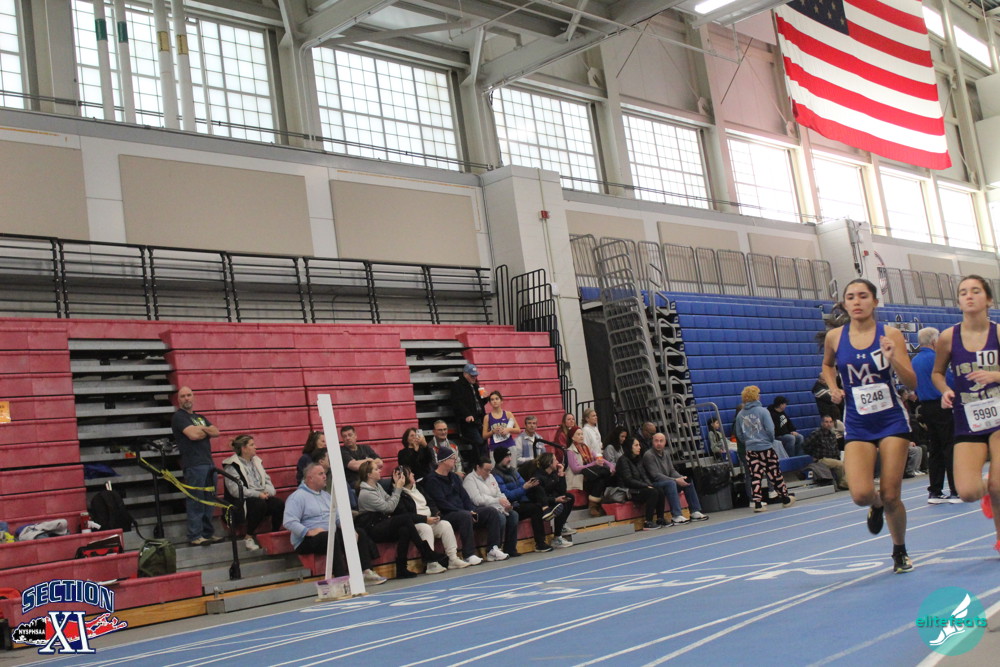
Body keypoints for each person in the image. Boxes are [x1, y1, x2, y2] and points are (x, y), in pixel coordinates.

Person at [822, 278, 917, 574]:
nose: (857, 301)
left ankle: (899, 550)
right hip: (858, 423)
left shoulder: (890, 334)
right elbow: (827, 365)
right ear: (845, 304)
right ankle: (875, 505)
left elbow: (912, 382)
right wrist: (833, 387)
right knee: (861, 494)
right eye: (851, 297)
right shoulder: (835, 337)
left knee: (892, 494)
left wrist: (893, 358)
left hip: (891, 420)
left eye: (863, 296)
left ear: (875, 302)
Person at [932, 274, 1000, 554]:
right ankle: (987, 491)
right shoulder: (949, 337)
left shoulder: (998, 333)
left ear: (989, 299)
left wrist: (995, 375)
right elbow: (937, 373)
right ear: (958, 301)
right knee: (968, 491)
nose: (969, 296)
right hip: (968, 419)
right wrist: (945, 390)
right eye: (963, 292)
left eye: (975, 291)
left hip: (999, 417)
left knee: (999, 483)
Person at [282, 463, 386, 584]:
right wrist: (308, 531)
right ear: (310, 478)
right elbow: (289, 521)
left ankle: (366, 572)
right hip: (306, 540)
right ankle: (341, 578)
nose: (325, 476)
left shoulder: (326, 496)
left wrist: (349, 530)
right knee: (330, 537)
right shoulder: (297, 497)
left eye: (324, 473)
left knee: (359, 533)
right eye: (320, 474)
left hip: (328, 534)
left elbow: (337, 517)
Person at [356, 461, 451, 578]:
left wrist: (397, 487)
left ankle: (401, 568)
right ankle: (425, 551)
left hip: (381, 521)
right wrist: (398, 488)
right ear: (369, 475)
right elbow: (389, 508)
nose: (380, 471)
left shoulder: (377, 486)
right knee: (405, 518)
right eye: (376, 469)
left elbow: (390, 500)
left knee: (404, 529)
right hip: (372, 527)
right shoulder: (366, 493)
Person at [422, 445, 501, 564]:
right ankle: (469, 554)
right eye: (452, 459)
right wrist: (466, 512)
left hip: (464, 512)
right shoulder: (432, 480)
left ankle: (492, 549)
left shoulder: (454, 477)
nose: (455, 461)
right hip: (447, 514)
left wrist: (471, 510)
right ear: (443, 461)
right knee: (465, 516)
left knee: (491, 511)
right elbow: (441, 502)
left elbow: (465, 497)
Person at [911, 327, 959, 503]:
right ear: (934, 342)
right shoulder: (936, 358)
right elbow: (950, 380)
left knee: (935, 448)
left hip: (926, 407)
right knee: (950, 446)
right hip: (942, 404)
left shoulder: (914, 360)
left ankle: (935, 490)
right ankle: (955, 489)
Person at [172, 387, 223, 546]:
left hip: (208, 463)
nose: (186, 398)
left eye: (189, 395)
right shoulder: (179, 417)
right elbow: (193, 435)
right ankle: (195, 535)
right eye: (183, 396)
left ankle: (207, 533)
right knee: (196, 500)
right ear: (178, 400)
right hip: (194, 464)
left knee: (209, 499)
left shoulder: (200, 417)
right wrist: (206, 431)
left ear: (193, 397)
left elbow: (216, 432)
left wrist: (202, 429)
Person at [734, 386, 797, 512]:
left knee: (755, 476)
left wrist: (748, 442)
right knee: (775, 473)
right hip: (765, 447)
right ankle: (785, 498)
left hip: (751, 449)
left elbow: (739, 434)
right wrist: (769, 440)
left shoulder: (740, 414)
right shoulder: (763, 411)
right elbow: (770, 429)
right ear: (756, 396)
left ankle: (757, 503)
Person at [396, 465, 469, 569]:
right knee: (426, 528)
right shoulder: (398, 494)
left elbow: (431, 502)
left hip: (430, 519)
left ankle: (453, 558)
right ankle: (431, 564)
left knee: (445, 525)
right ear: (403, 477)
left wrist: (436, 514)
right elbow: (406, 515)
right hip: (416, 524)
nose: (413, 474)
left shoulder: (419, 488)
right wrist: (425, 519)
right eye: (410, 473)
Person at [222, 434, 285, 551]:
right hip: (241, 500)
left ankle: (274, 534)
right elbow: (235, 491)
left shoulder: (257, 461)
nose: (255, 447)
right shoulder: (231, 466)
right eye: (252, 445)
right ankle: (248, 537)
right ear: (244, 448)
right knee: (259, 504)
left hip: (260, 495)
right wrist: (258, 494)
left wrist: (268, 492)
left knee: (279, 504)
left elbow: (267, 480)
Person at [492, 446, 558, 552]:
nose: (510, 459)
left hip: (522, 501)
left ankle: (546, 507)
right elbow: (506, 495)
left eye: (510, 456)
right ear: (499, 459)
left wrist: (530, 485)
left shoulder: (513, 470)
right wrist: (524, 488)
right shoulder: (495, 475)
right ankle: (540, 543)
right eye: (506, 457)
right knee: (536, 508)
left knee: (537, 488)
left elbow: (523, 484)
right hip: (511, 505)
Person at [642, 432, 709, 524]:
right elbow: (655, 475)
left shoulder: (666, 453)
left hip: (667, 481)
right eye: (656, 441)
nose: (659, 443)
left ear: (665, 442)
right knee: (671, 483)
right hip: (655, 484)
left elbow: (672, 471)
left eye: (661, 441)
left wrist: (680, 477)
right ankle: (676, 515)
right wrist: (675, 480)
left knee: (687, 480)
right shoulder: (648, 455)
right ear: (652, 442)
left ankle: (694, 511)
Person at [463, 458, 520, 557]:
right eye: (486, 470)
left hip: (497, 507)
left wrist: (506, 503)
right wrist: (497, 501)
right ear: (478, 467)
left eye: (490, 470)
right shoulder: (470, 480)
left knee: (513, 515)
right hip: (479, 510)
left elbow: (499, 493)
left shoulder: (491, 477)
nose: (488, 473)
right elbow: (477, 500)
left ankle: (510, 548)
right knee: (500, 517)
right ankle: (494, 548)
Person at [616, 437, 668, 530]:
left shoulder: (638, 459)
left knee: (659, 490)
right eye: (636, 445)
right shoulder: (623, 460)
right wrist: (646, 486)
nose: (639, 447)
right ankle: (648, 522)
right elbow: (628, 480)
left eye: (639, 445)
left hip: (640, 487)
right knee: (652, 492)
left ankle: (660, 518)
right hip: (629, 491)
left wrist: (649, 485)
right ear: (629, 447)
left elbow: (644, 475)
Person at [565, 425, 615, 517]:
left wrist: (610, 464)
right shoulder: (570, 451)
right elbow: (575, 469)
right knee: (602, 475)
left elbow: (598, 457)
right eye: (578, 434)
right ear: (572, 437)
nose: (581, 436)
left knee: (602, 478)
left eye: (582, 434)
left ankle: (595, 506)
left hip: (590, 475)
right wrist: (593, 464)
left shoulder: (586, 447)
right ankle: (594, 506)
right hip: (579, 478)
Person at [528, 453, 575, 548]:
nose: (557, 462)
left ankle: (562, 526)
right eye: (555, 460)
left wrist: (561, 475)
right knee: (560, 503)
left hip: (550, 499)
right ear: (549, 463)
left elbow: (562, 491)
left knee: (569, 497)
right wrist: (555, 499)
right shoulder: (537, 477)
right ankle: (557, 537)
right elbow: (539, 497)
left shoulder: (553, 474)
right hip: (540, 503)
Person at [450, 363, 488, 468]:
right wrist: (466, 415)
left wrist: (485, 398)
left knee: (483, 442)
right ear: (465, 374)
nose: (474, 377)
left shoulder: (476, 385)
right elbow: (457, 403)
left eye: (475, 375)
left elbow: (479, 403)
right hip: (468, 422)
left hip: (479, 419)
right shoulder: (457, 385)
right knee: (479, 442)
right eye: (472, 375)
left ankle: (477, 465)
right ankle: (479, 465)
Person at [802, 415, 849, 491]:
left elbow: (835, 448)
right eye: (826, 422)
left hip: (832, 459)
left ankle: (845, 482)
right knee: (840, 464)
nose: (828, 424)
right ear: (822, 423)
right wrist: (813, 454)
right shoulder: (817, 433)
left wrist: (838, 457)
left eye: (830, 422)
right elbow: (805, 445)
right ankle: (843, 483)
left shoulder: (832, 434)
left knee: (846, 462)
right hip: (822, 459)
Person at [483, 391, 520, 455]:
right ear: (490, 403)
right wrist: (493, 431)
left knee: (512, 461)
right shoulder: (487, 417)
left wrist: (508, 429)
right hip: (495, 447)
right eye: (492, 399)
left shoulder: (508, 414)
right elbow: (484, 436)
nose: (495, 401)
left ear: (501, 401)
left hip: (509, 445)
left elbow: (518, 430)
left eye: (497, 399)